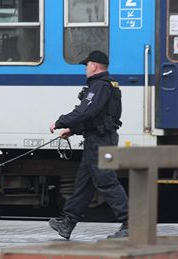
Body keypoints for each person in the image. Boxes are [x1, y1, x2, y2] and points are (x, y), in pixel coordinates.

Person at [49, 50, 129, 240]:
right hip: (97, 140)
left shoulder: (99, 86)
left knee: (106, 181)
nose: (85, 69)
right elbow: (97, 117)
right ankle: (68, 222)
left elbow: (86, 111)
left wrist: (61, 122)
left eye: (87, 65)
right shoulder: (104, 85)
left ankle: (130, 222)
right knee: (84, 184)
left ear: (93, 65)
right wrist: (74, 130)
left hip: (101, 142)